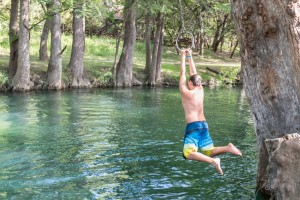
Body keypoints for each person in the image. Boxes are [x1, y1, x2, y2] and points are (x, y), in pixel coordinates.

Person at [179, 49, 242, 176]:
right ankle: (227, 148)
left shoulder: (186, 92)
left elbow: (183, 73)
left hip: (193, 127)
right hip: (204, 125)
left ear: (190, 83)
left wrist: (182, 56)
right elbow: (194, 73)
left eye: (189, 82)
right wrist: (190, 55)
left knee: (188, 153)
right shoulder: (201, 89)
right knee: (209, 150)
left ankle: (213, 161)